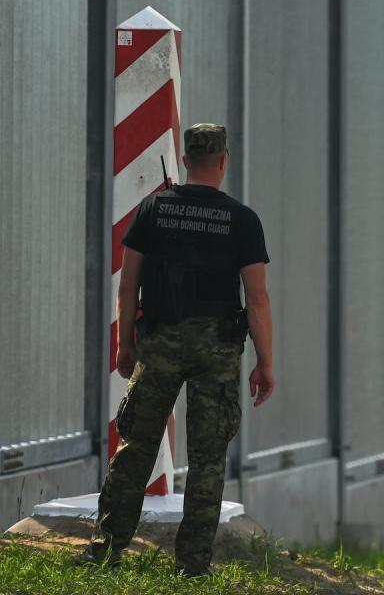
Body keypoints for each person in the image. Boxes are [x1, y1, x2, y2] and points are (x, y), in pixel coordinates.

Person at [75, 123, 276, 576]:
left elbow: (128, 285)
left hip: (161, 342)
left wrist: (127, 345)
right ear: (223, 161)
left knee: (137, 445)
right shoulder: (242, 220)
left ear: (186, 160)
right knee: (207, 457)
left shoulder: (152, 210)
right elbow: (257, 300)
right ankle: (193, 566)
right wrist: (265, 362)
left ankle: (106, 550)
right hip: (217, 348)